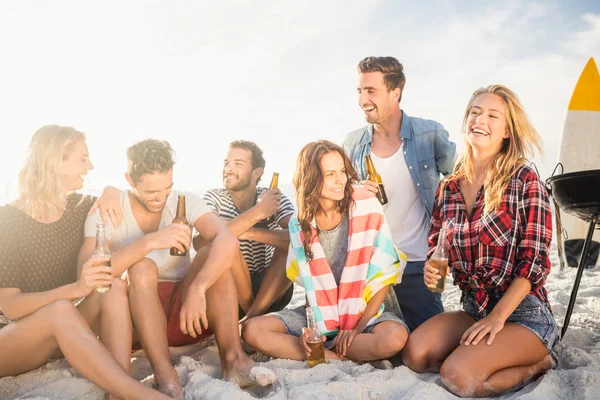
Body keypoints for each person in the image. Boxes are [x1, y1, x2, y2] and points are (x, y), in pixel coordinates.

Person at [79, 139, 274, 399]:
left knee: (209, 253)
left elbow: (226, 239)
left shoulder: (184, 201)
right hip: (137, 324)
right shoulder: (108, 209)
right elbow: (84, 275)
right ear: (129, 180)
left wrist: (198, 287)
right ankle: (164, 373)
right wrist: (148, 243)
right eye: (151, 192)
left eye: (167, 188)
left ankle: (233, 359)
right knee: (142, 266)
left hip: (187, 317)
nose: (161, 199)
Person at [401, 85, 559, 397]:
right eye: (475, 112)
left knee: (458, 376)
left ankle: (538, 363)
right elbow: (439, 252)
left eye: (492, 115)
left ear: (506, 131)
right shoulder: (448, 187)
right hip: (474, 309)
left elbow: (534, 265)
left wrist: (499, 318)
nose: (480, 119)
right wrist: (435, 274)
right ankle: (482, 355)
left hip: (523, 313)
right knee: (414, 354)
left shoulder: (525, 180)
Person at [0, 125, 171, 400]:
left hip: (62, 333)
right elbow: (10, 306)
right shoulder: (6, 221)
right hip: (12, 341)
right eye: (82, 159)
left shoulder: (82, 209)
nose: (90, 165)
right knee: (60, 309)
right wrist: (75, 289)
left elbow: (123, 203)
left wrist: (111, 189)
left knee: (112, 286)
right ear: (54, 160)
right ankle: (142, 395)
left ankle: (118, 390)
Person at [242, 140, 409, 362]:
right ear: (311, 178)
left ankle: (326, 353)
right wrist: (313, 330)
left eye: (342, 171)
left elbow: (385, 275)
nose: (340, 180)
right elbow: (312, 285)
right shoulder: (299, 224)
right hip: (324, 313)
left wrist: (357, 329)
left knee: (394, 338)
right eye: (330, 174)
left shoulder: (367, 206)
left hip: (368, 313)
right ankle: (333, 355)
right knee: (252, 330)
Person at [343, 56, 457, 332]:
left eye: (371, 91)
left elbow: (459, 186)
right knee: (375, 342)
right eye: (360, 91)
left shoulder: (429, 133)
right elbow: (338, 199)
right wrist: (353, 193)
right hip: (371, 267)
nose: (362, 99)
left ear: (395, 93)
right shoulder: (352, 143)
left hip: (418, 265)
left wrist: (449, 246)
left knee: (424, 347)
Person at [198, 140, 295, 319]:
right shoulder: (213, 197)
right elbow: (200, 241)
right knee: (228, 245)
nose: (228, 169)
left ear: (256, 172)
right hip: (229, 287)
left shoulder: (271, 196)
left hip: (271, 288)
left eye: (238, 164)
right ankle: (253, 318)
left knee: (290, 248)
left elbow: (301, 236)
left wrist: (244, 231)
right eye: (226, 163)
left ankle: (251, 318)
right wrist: (258, 212)